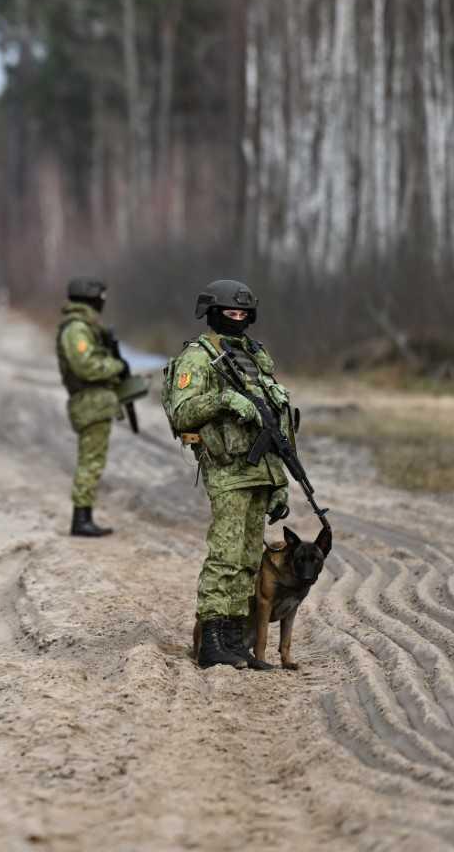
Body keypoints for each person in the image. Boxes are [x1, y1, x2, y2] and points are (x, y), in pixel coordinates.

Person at [161, 279, 293, 670]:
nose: (237, 319)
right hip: (227, 469)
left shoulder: (256, 356)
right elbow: (181, 412)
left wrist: (281, 483)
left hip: (260, 471)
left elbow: (276, 424)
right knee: (226, 554)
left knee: (251, 559)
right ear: (213, 313)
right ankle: (212, 639)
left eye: (242, 313)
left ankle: (236, 638)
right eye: (229, 313)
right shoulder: (198, 357)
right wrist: (225, 399)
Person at [55, 277, 127, 537]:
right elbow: (85, 365)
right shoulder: (76, 329)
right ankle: (81, 519)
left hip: (95, 401)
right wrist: (117, 367)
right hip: (90, 401)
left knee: (93, 460)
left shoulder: (85, 327)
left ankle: (83, 516)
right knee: (90, 461)